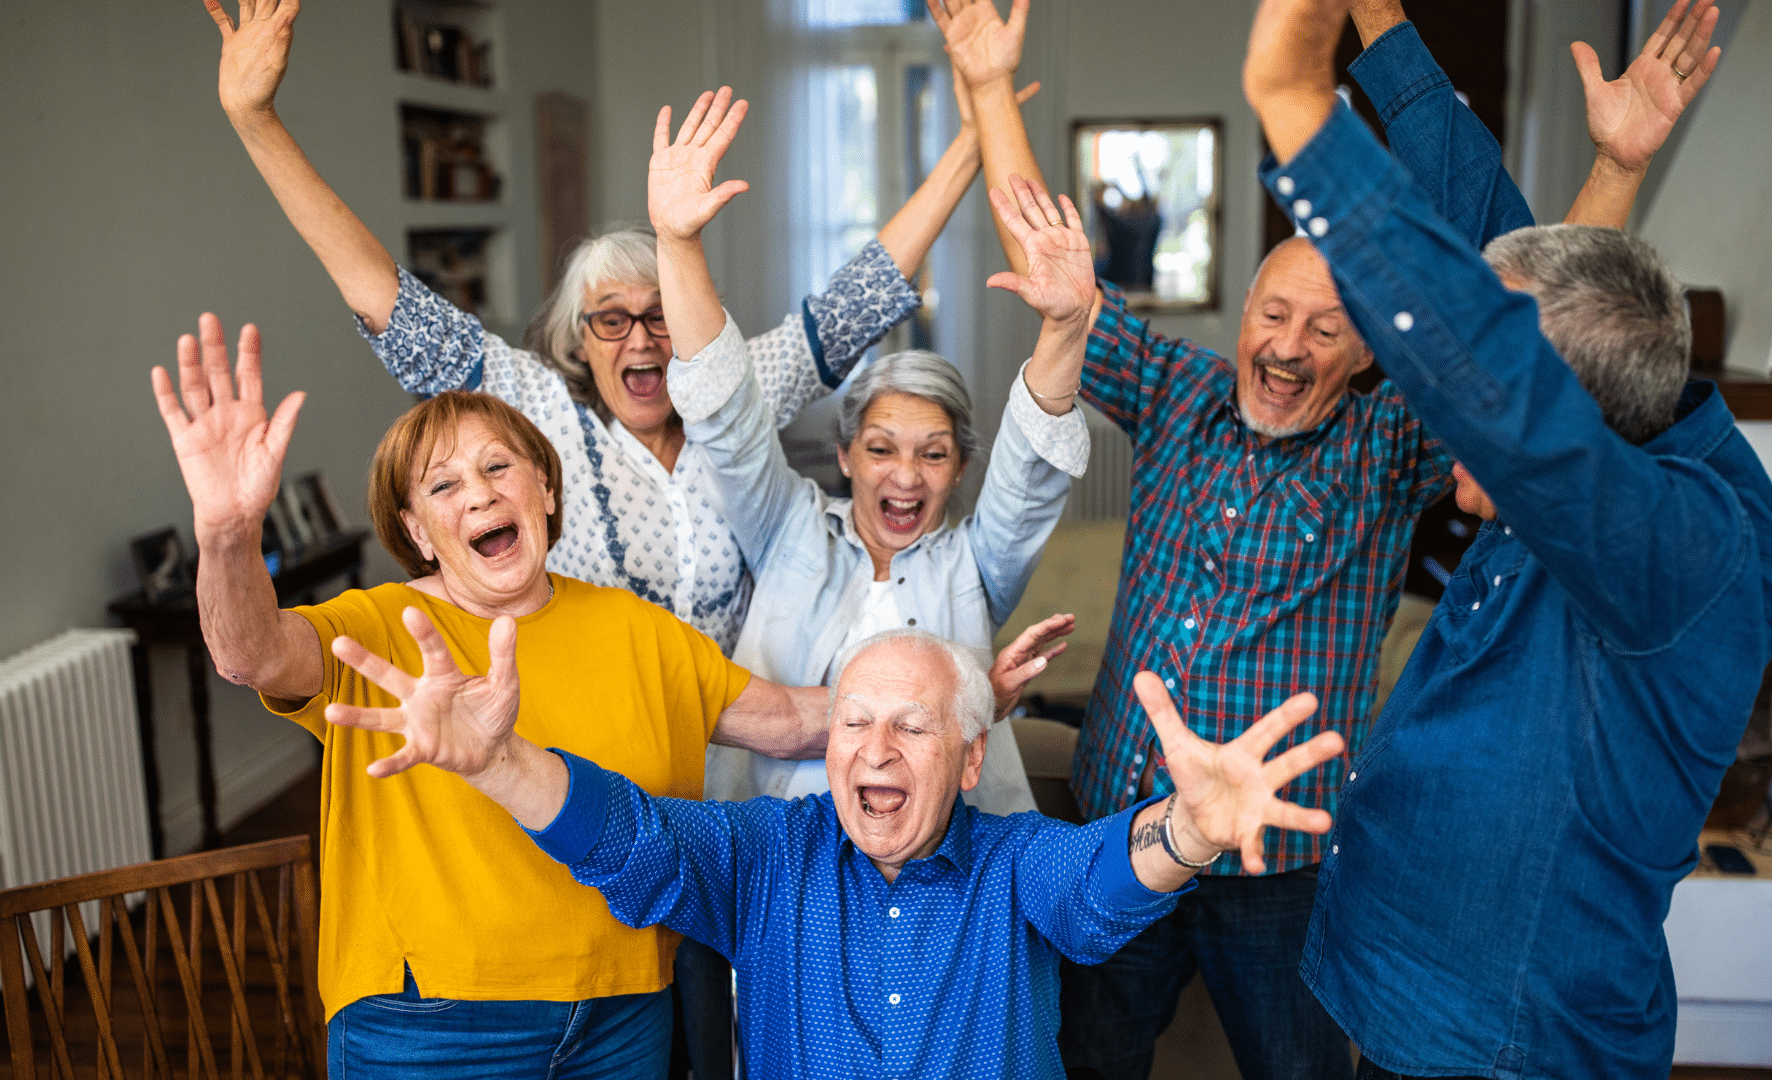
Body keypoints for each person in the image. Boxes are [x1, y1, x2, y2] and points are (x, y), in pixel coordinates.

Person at [926, 0, 1724, 1075]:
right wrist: (983, 83)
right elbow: (1052, 261)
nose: (1288, 347)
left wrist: (1615, 168)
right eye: (1272, 315)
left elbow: (1531, 339)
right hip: (1131, 831)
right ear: (1241, 314)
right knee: (1090, 1060)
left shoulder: (1391, 446)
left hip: (1284, 861)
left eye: (1326, 328)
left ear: (1366, 357)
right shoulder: (1180, 394)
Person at [1239, 2, 1772, 1078]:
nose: (1444, 425)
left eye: (1477, 406)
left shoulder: (1693, 547)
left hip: (1501, 1045)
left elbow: (1501, 381)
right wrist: (1378, 19)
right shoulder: (1623, 403)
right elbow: (1478, 233)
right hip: (1411, 999)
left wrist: (1303, 115)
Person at [201, 0, 1034, 654]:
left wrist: (971, 135)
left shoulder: (732, 385)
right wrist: (255, 120)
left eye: (662, 317)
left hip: (734, 749)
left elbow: (864, 294)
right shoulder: (529, 407)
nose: (640, 339)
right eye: (611, 320)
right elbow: (380, 294)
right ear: (579, 337)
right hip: (592, 751)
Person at [149, 314, 840, 1077]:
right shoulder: (379, 623)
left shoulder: (640, 629)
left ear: (544, 488)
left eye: (498, 467)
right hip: (428, 1021)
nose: (478, 494)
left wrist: (962, 694)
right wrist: (226, 534)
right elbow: (248, 653)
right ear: (416, 530)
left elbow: (793, 721)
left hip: (625, 1010)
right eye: (443, 485)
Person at [316, 611, 1350, 1080]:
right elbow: (632, 839)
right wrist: (497, 764)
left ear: (967, 750)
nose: (875, 749)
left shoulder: (1014, 856)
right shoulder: (770, 854)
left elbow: (1096, 889)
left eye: (911, 725)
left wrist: (1188, 831)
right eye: (854, 722)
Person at [640, 102, 1098, 815]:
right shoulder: (789, 528)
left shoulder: (975, 566)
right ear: (845, 455)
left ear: (960, 469)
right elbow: (726, 417)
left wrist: (1067, 327)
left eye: (934, 454)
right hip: (781, 848)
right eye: (881, 448)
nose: (907, 475)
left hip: (941, 862)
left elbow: (1032, 471)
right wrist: (676, 242)